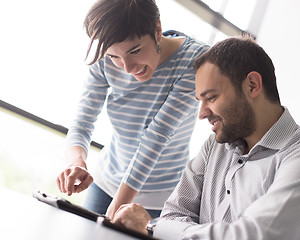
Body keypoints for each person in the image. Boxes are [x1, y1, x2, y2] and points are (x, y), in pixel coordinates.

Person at [111, 35, 300, 240]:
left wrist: (152, 227)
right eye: (200, 101)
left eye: (211, 98)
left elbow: (254, 236)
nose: (202, 113)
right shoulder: (214, 148)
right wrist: (166, 227)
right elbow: (173, 214)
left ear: (253, 85)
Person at [56, 0, 209, 219]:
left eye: (135, 51)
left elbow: (156, 137)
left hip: (161, 197)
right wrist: (76, 161)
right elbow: (83, 121)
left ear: (157, 29)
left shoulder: (194, 60)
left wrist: (111, 215)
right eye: (114, 57)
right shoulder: (105, 55)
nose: (127, 68)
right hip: (106, 182)